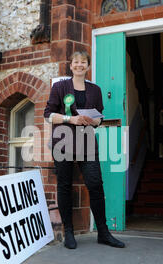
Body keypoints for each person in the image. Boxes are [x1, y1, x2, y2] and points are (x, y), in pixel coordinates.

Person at [43, 51, 125, 249]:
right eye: (76, 62)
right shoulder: (60, 87)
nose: (79, 65)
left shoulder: (95, 90)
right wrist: (70, 119)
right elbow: (48, 115)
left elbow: (99, 118)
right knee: (64, 186)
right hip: (62, 142)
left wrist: (93, 121)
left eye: (83, 62)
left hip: (87, 142)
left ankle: (103, 232)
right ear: (70, 66)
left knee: (95, 184)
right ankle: (69, 231)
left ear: (88, 66)